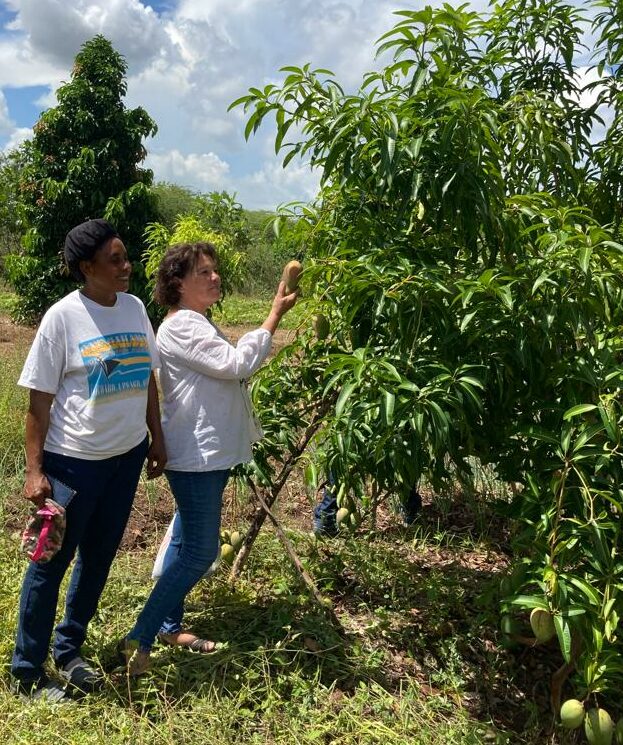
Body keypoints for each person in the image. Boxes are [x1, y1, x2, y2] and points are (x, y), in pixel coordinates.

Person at [119, 241, 296, 675]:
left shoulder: (196, 322)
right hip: (196, 457)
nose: (215, 277)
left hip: (206, 453)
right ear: (177, 283)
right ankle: (139, 637)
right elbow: (236, 365)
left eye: (215, 271)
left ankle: (166, 625)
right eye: (204, 273)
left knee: (183, 540)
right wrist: (274, 315)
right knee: (199, 551)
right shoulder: (182, 327)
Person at [12, 219, 166, 702]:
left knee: (98, 559)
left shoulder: (136, 308)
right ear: (86, 267)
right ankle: (27, 670)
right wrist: (36, 471)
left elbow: (148, 381)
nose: (127, 266)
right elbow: (39, 402)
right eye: (115, 259)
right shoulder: (63, 318)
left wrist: (155, 440)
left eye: (125, 256)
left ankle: (69, 649)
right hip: (73, 465)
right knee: (50, 564)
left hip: (125, 458)